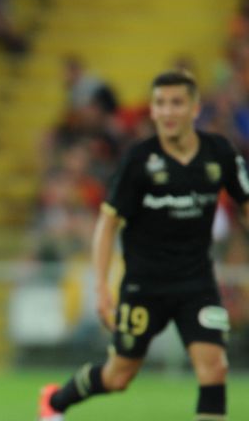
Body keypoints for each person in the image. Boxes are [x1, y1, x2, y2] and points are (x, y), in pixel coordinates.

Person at [38, 70, 249, 421]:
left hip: (197, 284)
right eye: (160, 103)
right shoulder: (140, 160)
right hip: (144, 286)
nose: (167, 111)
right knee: (118, 376)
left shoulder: (219, 154)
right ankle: (56, 401)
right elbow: (107, 224)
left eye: (176, 103)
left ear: (195, 108)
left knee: (214, 369)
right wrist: (102, 287)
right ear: (152, 110)